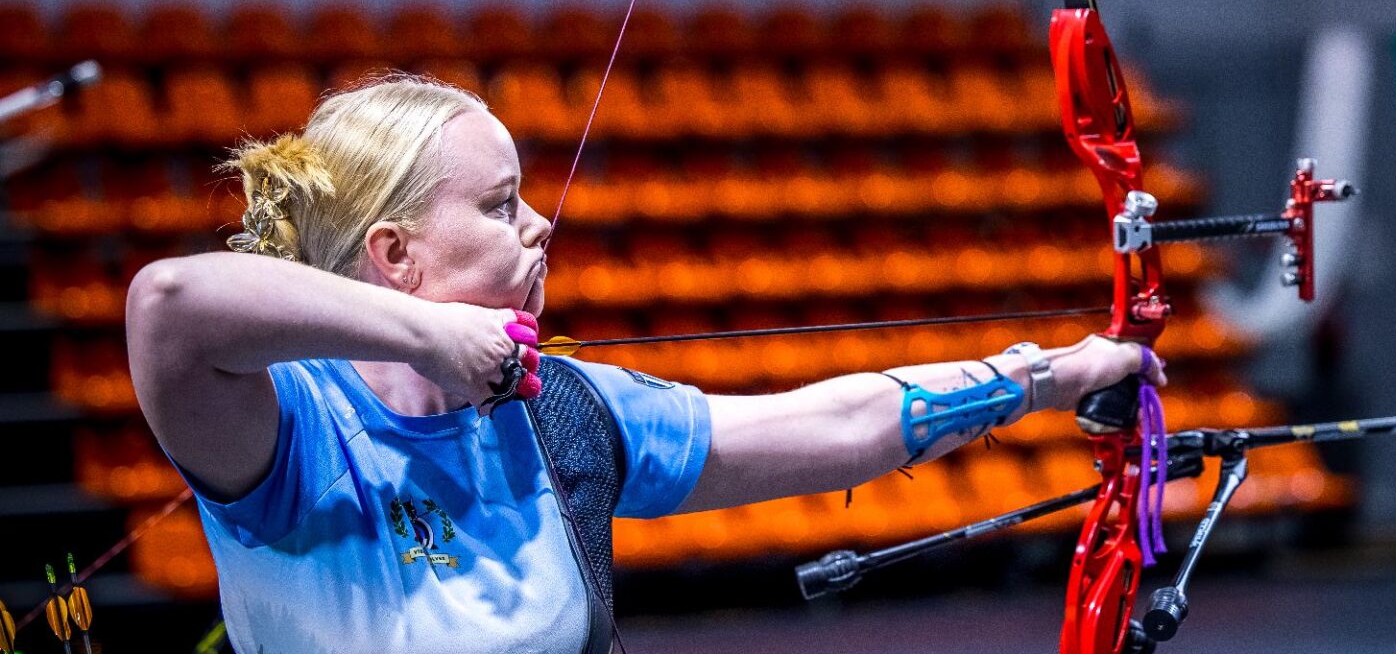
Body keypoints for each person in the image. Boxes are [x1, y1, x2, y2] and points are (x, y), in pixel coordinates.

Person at [125, 73, 1159, 654]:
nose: (539, 227)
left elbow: (829, 425)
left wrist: (1049, 374)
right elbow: (170, 306)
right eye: (499, 205)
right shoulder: (289, 431)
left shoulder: (563, 410)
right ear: (396, 255)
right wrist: (426, 337)